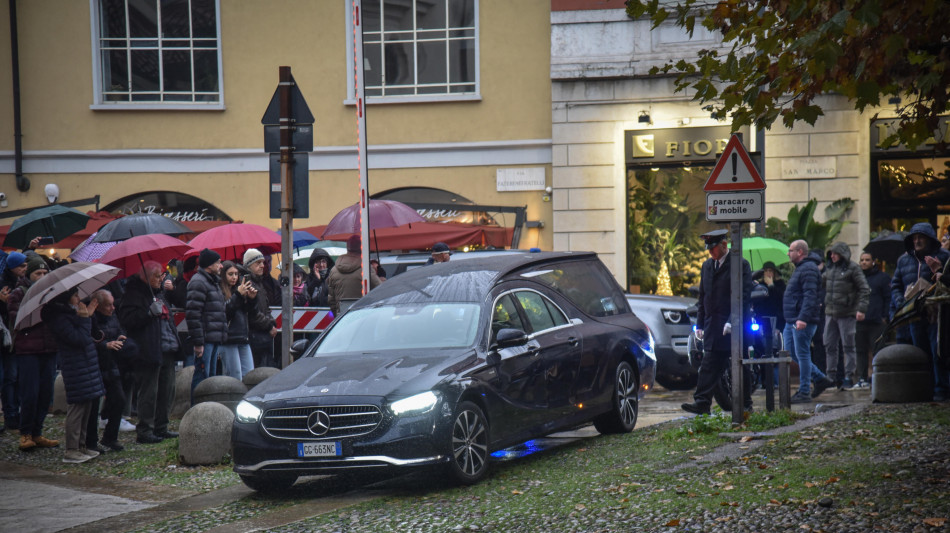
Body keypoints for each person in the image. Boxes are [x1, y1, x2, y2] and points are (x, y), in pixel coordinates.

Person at [681, 229, 753, 415]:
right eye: (709, 249)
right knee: (708, 366)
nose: (710, 252)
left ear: (724, 245)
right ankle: (702, 403)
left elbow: (743, 296)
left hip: (733, 326)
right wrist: (700, 323)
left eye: (713, 248)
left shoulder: (739, 265)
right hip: (713, 326)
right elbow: (704, 296)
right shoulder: (707, 266)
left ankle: (746, 403)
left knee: (739, 364)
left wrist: (732, 321)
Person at [119, 261, 181, 443]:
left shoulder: (159, 293)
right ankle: (145, 429)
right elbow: (127, 320)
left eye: (162, 275)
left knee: (166, 391)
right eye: (157, 275)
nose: (161, 278)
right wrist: (147, 314)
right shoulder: (134, 293)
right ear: (144, 276)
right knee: (149, 392)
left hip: (167, 347)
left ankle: (161, 426)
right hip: (148, 349)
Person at [42, 288, 103, 463]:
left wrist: (88, 316)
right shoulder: (59, 317)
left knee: (87, 404)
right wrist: (84, 319)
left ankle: (82, 445)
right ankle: (72, 448)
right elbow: (80, 339)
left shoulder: (71, 313)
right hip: (75, 364)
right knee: (77, 406)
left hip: (85, 363)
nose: (79, 298)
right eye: (75, 295)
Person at [890, 222, 950, 401]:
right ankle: (924, 389)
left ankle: (941, 389)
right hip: (913, 315)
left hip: (936, 313)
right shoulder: (904, 260)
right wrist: (901, 302)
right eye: (914, 238)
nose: (917, 241)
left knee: (937, 351)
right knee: (919, 352)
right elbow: (895, 285)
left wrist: (939, 272)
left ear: (929, 239)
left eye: (921, 237)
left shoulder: (944, 256)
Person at [7, 257, 59, 451]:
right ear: (30, 274)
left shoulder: (51, 294)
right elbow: (17, 319)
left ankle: (37, 431)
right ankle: (25, 433)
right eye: (38, 273)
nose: (42, 277)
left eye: (45, 273)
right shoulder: (19, 293)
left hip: (49, 348)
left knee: (46, 393)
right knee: (30, 393)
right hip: (28, 350)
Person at [783, 240, 834, 403]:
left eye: (790, 250)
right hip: (792, 319)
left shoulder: (809, 269)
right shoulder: (801, 268)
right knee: (792, 352)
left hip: (801, 320)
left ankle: (804, 391)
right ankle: (819, 378)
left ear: (799, 252)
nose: (788, 254)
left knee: (802, 354)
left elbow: (810, 295)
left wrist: (803, 318)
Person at [822, 242, 870, 391]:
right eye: (831, 253)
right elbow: (823, 285)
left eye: (835, 253)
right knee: (829, 345)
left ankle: (849, 376)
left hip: (847, 314)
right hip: (830, 313)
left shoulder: (853, 268)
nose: (832, 255)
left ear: (842, 254)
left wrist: (861, 309)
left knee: (848, 346)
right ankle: (831, 377)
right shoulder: (830, 269)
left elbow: (864, 289)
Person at [89, 289, 131, 452]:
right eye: (108, 305)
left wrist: (120, 337)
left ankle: (110, 438)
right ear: (98, 305)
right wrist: (104, 345)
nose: (112, 308)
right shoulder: (91, 318)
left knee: (119, 399)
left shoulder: (112, 316)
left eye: (113, 304)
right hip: (96, 365)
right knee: (93, 407)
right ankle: (91, 441)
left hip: (111, 363)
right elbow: (88, 339)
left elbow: (119, 329)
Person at [186, 249, 227, 392]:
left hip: (212, 337)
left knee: (210, 379)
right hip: (205, 339)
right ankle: (197, 410)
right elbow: (193, 315)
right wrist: (198, 343)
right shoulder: (199, 282)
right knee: (201, 378)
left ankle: (207, 410)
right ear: (209, 265)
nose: (221, 266)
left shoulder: (212, 282)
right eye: (218, 263)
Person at [0, 251, 26, 431]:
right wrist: (4, 302)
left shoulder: (22, 284)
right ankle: (10, 414)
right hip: (6, 337)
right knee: (9, 377)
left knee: (14, 376)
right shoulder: (5, 285)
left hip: (16, 336)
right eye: (21, 266)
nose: (24, 269)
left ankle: (14, 413)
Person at [855, 252, 890, 387]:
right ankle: (862, 379)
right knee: (860, 351)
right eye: (862, 260)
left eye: (867, 260)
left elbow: (888, 298)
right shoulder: (856, 279)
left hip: (877, 322)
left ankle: (879, 377)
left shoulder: (882, 278)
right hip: (860, 322)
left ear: (873, 261)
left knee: (878, 350)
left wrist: (885, 317)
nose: (864, 262)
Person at [220, 260, 256, 380]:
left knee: (249, 374)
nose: (234, 277)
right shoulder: (220, 290)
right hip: (229, 338)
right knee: (235, 375)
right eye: (230, 274)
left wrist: (251, 299)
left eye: (236, 274)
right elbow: (225, 312)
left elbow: (247, 311)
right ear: (223, 275)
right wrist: (238, 295)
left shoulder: (239, 289)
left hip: (242, 336)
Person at [327, 235, 380, 315]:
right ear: (362, 248)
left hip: (342, 317)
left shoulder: (334, 270)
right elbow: (380, 290)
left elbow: (331, 300)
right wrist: (382, 276)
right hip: (362, 316)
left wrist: (338, 315)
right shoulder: (366, 269)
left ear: (347, 248)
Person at [243, 249, 279, 368]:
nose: (262, 266)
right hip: (254, 335)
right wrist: (269, 326)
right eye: (258, 263)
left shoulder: (259, 282)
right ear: (249, 265)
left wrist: (272, 323)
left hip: (263, 334)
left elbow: (266, 308)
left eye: (263, 262)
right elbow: (253, 313)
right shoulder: (247, 284)